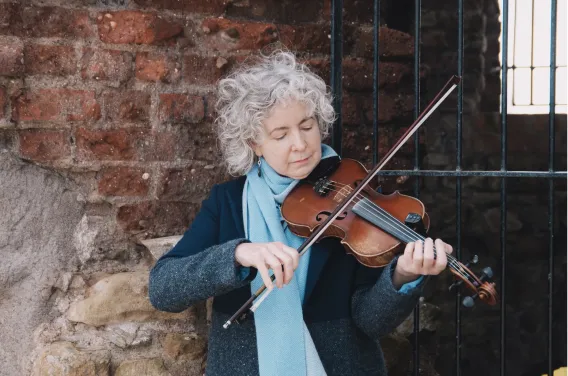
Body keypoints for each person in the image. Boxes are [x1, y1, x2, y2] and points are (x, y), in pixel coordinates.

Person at [148, 50, 453, 376]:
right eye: (280, 134)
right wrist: (238, 255)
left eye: (307, 126)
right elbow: (164, 290)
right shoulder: (227, 202)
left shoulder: (352, 198)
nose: (301, 143)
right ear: (254, 142)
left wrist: (401, 276)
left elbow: (371, 322)